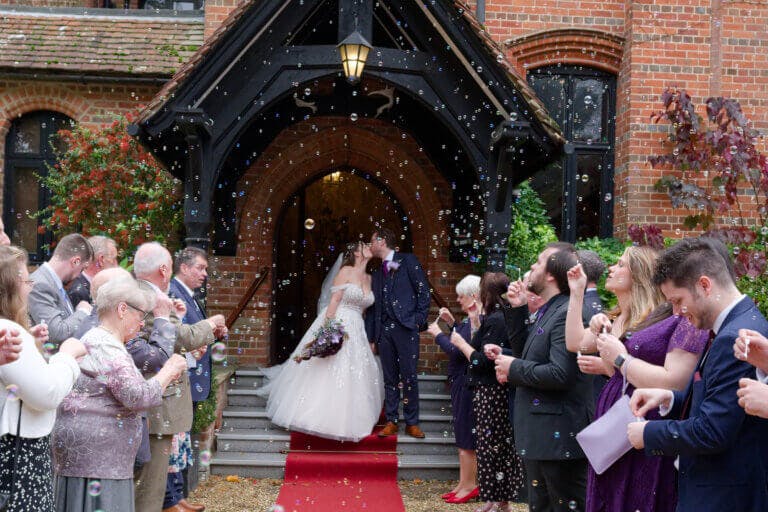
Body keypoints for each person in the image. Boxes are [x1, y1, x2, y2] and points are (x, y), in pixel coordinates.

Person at [629, 237, 768, 511]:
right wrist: (670, 398)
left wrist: (648, 433)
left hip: (723, 495)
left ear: (704, 285)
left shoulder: (735, 337)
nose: (677, 312)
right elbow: (723, 403)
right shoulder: (733, 325)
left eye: (678, 300)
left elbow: (714, 430)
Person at [565, 246, 709, 512]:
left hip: (646, 420)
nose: (611, 267)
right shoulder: (622, 316)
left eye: (620, 264)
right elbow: (577, 344)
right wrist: (577, 293)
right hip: (618, 418)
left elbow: (674, 381)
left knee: (637, 497)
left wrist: (618, 360)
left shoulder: (677, 318)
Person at [52, 276, 187, 512]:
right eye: (142, 315)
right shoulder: (107, 345)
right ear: (122, 309)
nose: (143, 324)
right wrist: (169, 370)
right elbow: (138, 396)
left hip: (91, 458)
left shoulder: (96, 338)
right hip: (99, 462)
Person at [494, 242, 592, 512]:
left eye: (537, 263)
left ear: (550, 274)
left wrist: (513, 368)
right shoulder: (550, 310)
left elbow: (561, 373)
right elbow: (528, 354)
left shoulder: (566, 313)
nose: (531, 268)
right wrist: (517, 309)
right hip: (544, 436)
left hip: (558, 439)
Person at [132, 242, 226, 512]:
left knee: (157, 479)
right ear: (164, 269)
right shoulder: (151, 298)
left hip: (159, 398)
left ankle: (174, 500)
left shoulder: (147, 294)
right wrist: (211, 323)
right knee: (150, 487)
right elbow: (179, 337)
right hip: (158, 401)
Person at [261, 242, 383, 441]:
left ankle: (349, 421)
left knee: (355, 373)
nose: (370, 246)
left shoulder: (370, 278)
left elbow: (366, 311)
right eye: (365, 244)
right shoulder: (346, 271)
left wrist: (370, 336)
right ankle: (315, 416)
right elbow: (334, 300)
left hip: (358, 328)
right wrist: (327, 329)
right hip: (339, 320)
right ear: (356, 252)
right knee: (328, 365)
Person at [0, 245, 86, 511]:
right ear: (13, 286)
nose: (31, 288)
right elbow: (46, 393)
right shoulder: (7, 330)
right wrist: (68, 357)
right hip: (18, 457)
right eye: (27, 280)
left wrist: (32, 347)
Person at [449, 272, 525, 512]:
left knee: (491, 445)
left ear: (486, 293)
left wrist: (461, 344)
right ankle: (498, 499)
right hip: (493, 390)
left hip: (492, 392)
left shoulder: (497, 319)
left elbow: (481, 361)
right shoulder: (497, 317)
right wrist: (475, 323)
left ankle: (495, 498)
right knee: (493, 446)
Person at [366, 227, 430, 438]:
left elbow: (423, 291)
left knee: (409, 375)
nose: (370, 244)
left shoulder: (407, 261)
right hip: (384, 331)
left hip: (406, 328)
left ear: (382, 241)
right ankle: (392, 420)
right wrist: (373, 337)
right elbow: (374, 308)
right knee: (389, 377)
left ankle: (412, 422)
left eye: (372, 241)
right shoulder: (377, 273)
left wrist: (418, 321)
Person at [426, 274, 480, 504]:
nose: (457, 299)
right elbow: (462, 337)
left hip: (468, 384)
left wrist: (438, 335)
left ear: (473, 296)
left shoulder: (479, 318)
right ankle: (462, 483)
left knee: (467, 437)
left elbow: (459, 349)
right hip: (460, 382)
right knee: (461, 435)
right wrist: (451, 324)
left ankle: (470, 485)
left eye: (461, 295)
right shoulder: (470, 319)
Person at [166, 246, 212, 512]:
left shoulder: (190, 295)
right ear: (184, 268)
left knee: (182, 439)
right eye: (200, 268)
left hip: (192, 377)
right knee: (175, 439)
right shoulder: (174, 293)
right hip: (181, 379)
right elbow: (178, 336)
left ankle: (178, 496)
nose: (204, 274)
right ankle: (172, 499)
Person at [28, 233, 93, 345]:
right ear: (75, 261)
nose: (79, 276)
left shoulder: (55, 283)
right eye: (82, 269)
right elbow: (55, 333)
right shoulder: (40, 285)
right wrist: (83, 311)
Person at [67, 235, 119, 306]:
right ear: (101, 260)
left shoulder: (91, 286)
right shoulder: (78, 292)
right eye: (114, 259)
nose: (116, 265)